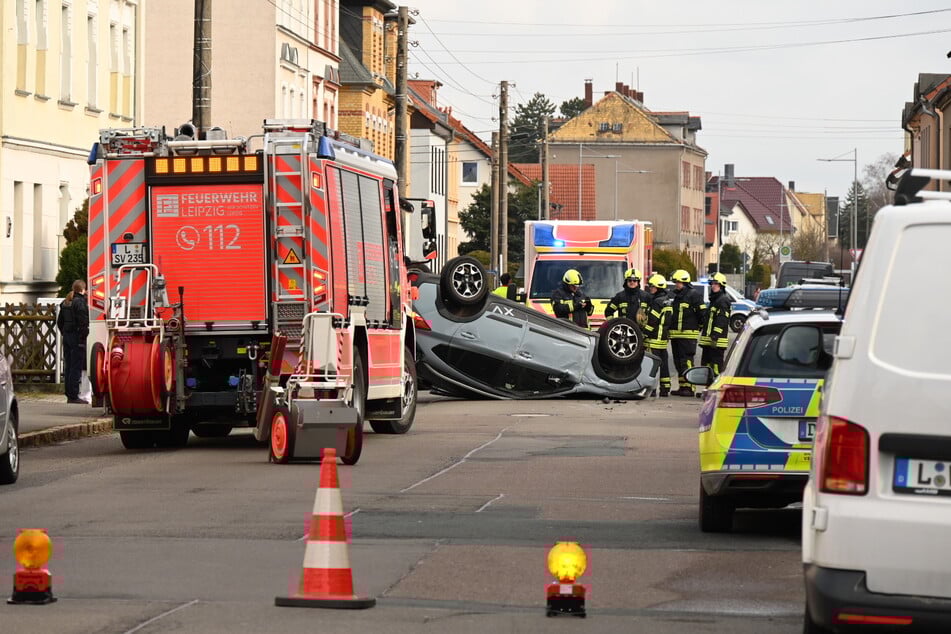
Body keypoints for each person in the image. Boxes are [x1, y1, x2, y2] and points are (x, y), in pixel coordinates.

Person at [669, 269, 706, 396]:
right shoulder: (678, 297)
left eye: (678, 282)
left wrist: (699, 327)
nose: (676, 285)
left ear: (684, 282)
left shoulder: (693, 295)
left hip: (687, 335)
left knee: (686, 361)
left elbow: (702, 314)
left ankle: (690, 387)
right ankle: (682, 386)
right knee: (678, 362)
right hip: (676, 334)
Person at [58, 280, 89, 404]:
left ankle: (69, 394)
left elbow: (60, 322)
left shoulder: (65, 302)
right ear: (83, 289)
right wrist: (84, 336)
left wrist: (65, 333)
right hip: (77, 337)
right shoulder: (80, 303)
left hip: (67, 336)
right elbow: (83, 322)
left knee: (69, 366)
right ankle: (74, 395)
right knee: (76, 367)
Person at [643, 273, 674, 397]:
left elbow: (652, 321)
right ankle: (665, 389)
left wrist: (645, 333)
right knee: (664, 365)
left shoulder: (657, 302)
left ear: (658, 288)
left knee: (652, 365)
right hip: (663, 339)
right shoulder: (667, 301)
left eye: (652, 287)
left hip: (654, 339)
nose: (650, 288)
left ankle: (652, 389)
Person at [699, 272, 732, 376]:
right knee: (706, 366)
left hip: (716, 341)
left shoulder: (723, 300)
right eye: (712, 283)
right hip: (709, 340)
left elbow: (722, 320)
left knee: (716, 366)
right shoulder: (714, 300)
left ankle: (716, 389)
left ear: (721, 285)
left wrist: (715, 336)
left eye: (716, 284)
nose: (713, 286)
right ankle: (708, 388)